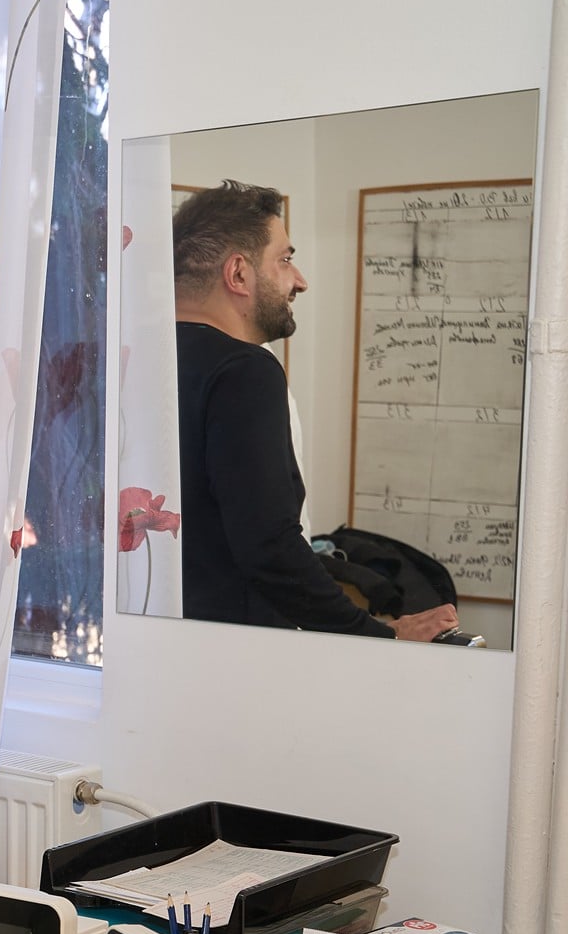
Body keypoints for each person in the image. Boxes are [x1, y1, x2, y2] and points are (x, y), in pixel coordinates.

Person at [173, 179, 457, 640]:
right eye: (285, 260)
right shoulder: (245, 370)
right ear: (238, 274)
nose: (299, 280)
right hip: (233, 656)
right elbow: (268, 546)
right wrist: (377, 635)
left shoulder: (133, 358)